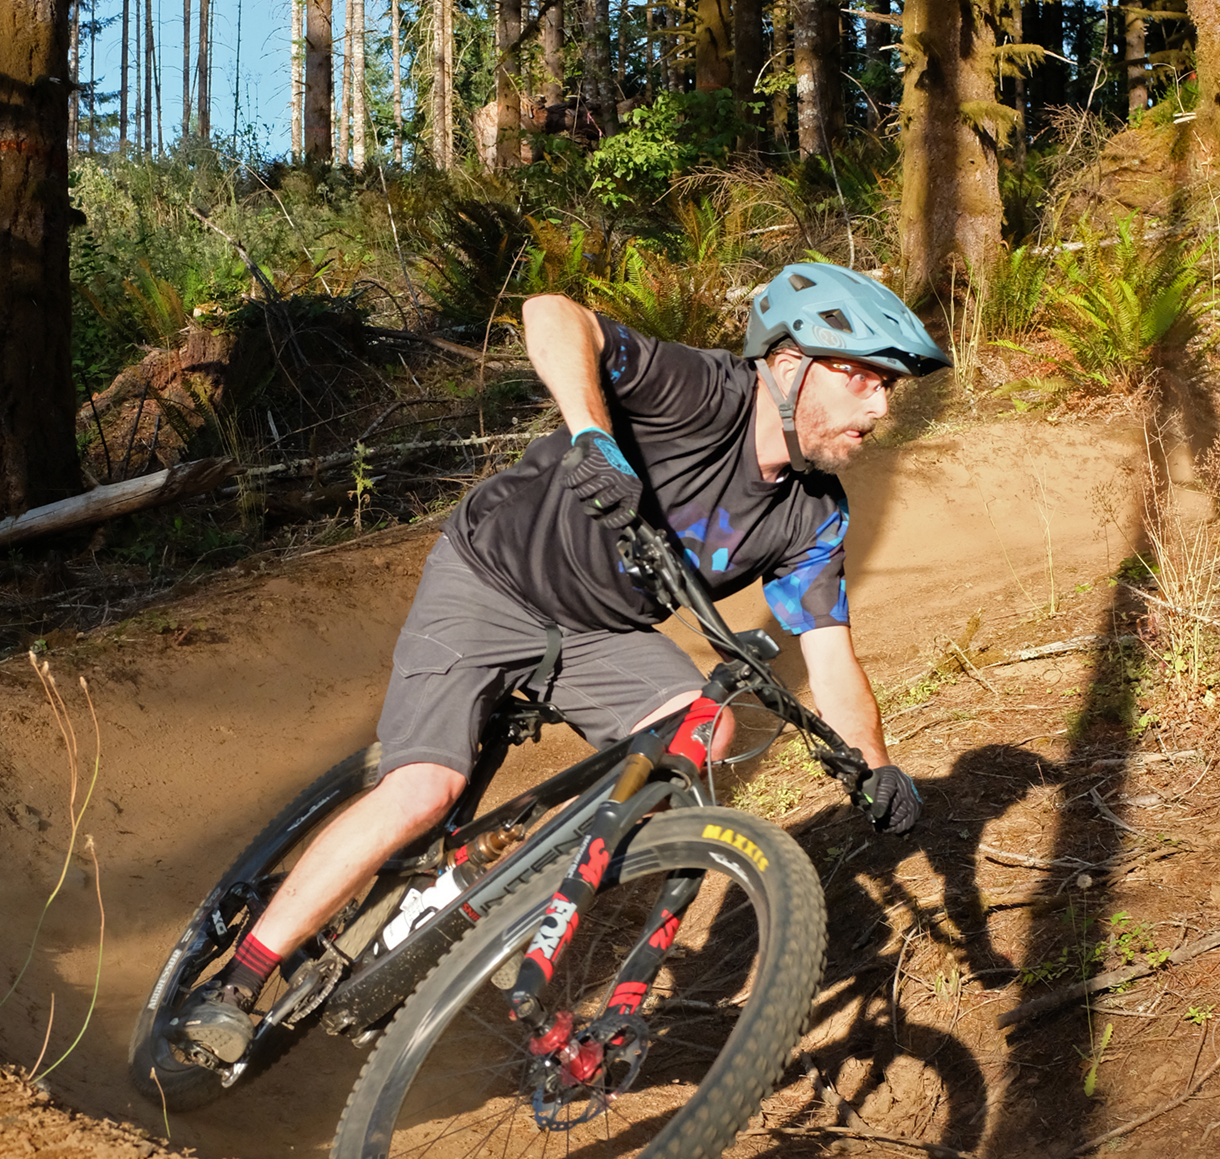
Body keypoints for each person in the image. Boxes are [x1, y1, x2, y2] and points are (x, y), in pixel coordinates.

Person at [171, 262, 952, 1064]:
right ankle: (236, 982)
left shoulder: (811, 513)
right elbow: (550, 311)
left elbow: (829, 651)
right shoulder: (701, 390)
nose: (880, 406)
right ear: (790, 366)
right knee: (423, 788)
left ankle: (512, 889)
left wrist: (874, 766)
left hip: (599, 633)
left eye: (888, 387)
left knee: (701, 733)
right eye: (862, 379)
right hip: (491, 582)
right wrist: (592, 437)